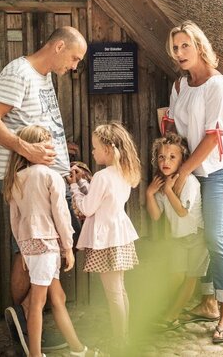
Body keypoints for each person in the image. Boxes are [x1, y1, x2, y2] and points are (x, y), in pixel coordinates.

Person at [0, 25, 87, 352]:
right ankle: (26, 322)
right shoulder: (18, 72)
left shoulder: (45, 77)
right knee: (26, 250)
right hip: (26, 179)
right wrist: (27, 151)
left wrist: (59, 149)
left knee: (39, 248)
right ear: (58, 47)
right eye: (74, 58)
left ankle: (31, 312)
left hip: (48, 176)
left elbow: (32, 124)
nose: (74, 67)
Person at [162, 21, 223, 344]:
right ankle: (207, 302)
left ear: (199, 47)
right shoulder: (180, 86)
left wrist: (182, 173)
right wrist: (172, 166)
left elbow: (211, 138)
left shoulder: (217, 85)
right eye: (175, 48)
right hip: (190, 173)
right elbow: (174, 132)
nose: (179, 53)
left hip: (218, 172)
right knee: (194, 238)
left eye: (185, 47)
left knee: (213, 236)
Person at [3, 125, 91, 357]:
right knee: (38, 304)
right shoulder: (51, 176)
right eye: (49, 145)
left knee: (55, 297)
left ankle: (78, 349)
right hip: (48, 245)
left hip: (30, 246)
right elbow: (62, 216)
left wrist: (22, 248)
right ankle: (35, 354)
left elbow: (15, 220)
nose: (53, 150)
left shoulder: (16, 178)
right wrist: (68, 247)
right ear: (35, 148)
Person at [68, 122, 141, 350]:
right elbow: (99, 199)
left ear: (108, 149)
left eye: (95, 148)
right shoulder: (124, 173)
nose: (92, 152)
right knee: (120, 290)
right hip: (119, 234)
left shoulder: (101, 176)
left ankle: (121, 341)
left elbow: (88, 208)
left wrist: (73, 188)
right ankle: (125, 334)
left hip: (105, 239)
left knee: (113, 294)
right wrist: (82, 182)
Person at [145, 133, 209, 329]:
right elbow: (156, 216)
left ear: (182, 160)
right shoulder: (162, 184)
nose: (166, 161)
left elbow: (182, 212)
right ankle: (159, 307)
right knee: (175, 276)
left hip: (197, 236)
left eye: (173, 157)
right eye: (162, 157)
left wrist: (170, 191)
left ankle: (171, 316)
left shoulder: (189, 181)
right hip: (178, 239)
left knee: (190, 278)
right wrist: (149, 194)